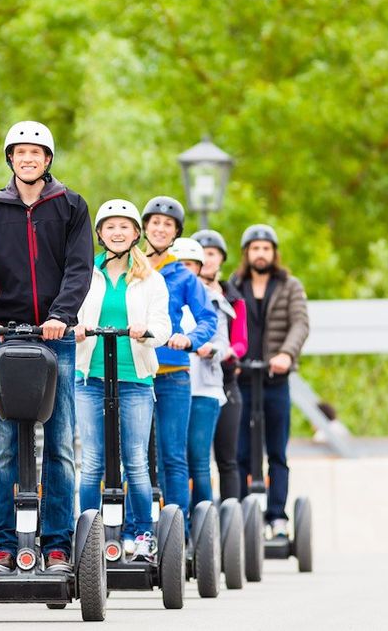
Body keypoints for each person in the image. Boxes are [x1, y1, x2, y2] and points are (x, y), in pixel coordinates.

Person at [0, 121, 93, 572]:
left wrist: (62, 316)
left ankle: (57, 543)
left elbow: (80, 268)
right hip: (7, 340)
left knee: (59, 444)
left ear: (48, 160)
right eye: (20, 153)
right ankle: (2, 544)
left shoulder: (71, 206)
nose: (28, 159)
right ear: (10, 160)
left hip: (55, 341)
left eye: (36, 153)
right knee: (4, 447)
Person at [74, 199, 171, 560]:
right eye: (110, 227)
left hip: (135, 379)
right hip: (90, 376)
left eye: (124, 227)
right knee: (93, 461)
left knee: (135, 461)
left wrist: (146, 331)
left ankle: (141, 534)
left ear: (135, 234)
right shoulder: (86, 273)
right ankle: (89, 536)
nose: (117, 232)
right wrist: (75, 329)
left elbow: (164, 327)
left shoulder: (150, 279)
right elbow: (68, 314)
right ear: (100, 234)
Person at [126, 196, 217, 537]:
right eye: (155, 223)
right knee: (134, 457)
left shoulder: (184, 275)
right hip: (134, 371)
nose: (160, 228)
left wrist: (189, 339)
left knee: (172, 458)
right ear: (145, 228)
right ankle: (135, 531)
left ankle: (179, 534)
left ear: (176, 232)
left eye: (168, 225)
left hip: (173, 374)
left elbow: (208, 318)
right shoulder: (131, 268)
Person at [229, 224, 309, 537]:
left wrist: (286, 355)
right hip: (243, 379)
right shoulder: (234, 285)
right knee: (241, 453)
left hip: (275, 381)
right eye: (254, 248)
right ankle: (245, 515)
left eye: (266, 248)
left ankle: (277, 516)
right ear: (246, 253)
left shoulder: (289, 285)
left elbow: (300, 323)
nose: (260, 253)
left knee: (277, 452)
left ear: (273, 253)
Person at [171, 237, 230, 510]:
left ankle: (203, 524)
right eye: (180, 264)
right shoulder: (163, 297)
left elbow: (223, 343)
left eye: (190, 264)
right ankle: (176, 523)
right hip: (171, 384)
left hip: (203, 388)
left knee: (198, 459)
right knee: (173, 458)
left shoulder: (212, 300)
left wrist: (208, 348)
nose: (185, 269)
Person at [191, 229, 247, 502]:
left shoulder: (232, 298)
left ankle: (230, 517)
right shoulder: (186, 292)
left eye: (211, 254)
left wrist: (222, 353)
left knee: (227, 456)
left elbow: (240, 341)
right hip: (192, 380)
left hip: (224, 378)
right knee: (193, 456)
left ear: (221, 260)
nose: (207, 259)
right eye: (201, 254)